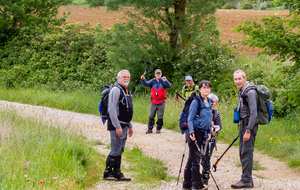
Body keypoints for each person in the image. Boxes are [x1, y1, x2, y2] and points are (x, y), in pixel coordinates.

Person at [103, 70, 134, 181]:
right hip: (117, 125)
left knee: (120, 150)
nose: (126, 78)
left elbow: (127, 109)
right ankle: (107, 173)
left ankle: (117, 173)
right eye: (124, 76)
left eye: (128, 77)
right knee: (115, 149)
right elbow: (112, 109)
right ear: (118, 78)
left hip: (124, 125)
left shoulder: (126, 90)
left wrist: (130, 126)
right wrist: (117, 126)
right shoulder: (116, 90)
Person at [182, 80, 213, 190]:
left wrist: (211, 129)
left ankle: (186, 184)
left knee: (192, 158)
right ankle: (196, 184)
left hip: (203, 132)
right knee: (196, 159)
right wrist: (191, 132)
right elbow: (190, 119)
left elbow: (208, 118)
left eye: (208, 87)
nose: (206, 89)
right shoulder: (196, 102)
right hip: (194, 132)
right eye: (203, 87)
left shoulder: (210, 101)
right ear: (199, 89)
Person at [231, 70, 258, 189]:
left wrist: (248, 130)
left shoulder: (250, 92)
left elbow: (254, 113)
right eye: (235, 79)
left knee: (246, 152)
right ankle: (247, 179)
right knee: (242, 152)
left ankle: (246, 180)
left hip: (249, 126)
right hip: (243, 125)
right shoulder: (242, 90)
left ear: (245, 78)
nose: (237, 81)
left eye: (239, 79)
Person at [201, 93, 222, 185]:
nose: (212, 103)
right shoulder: (201, 111)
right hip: (201, 137)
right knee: (201, 156)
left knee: (207, 156)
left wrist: (214, 130)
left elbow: (219, 125)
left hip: (211, 139)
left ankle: (206, 176)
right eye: (211, 101)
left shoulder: (216, 113)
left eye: (214, 102)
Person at [141, 69, 171, 134]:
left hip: (161, 102)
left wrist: (166, 81)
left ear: (161, 74)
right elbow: (145, 84)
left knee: (160, 116)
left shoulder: (163, 81)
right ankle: (149, 129)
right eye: (157, 74)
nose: (158, 75)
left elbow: (169, 86)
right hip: (153, 102)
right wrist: (143, 79)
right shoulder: (152, 81)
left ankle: (158, 128)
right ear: (155, 74)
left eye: (159, 74)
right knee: (151, 115)